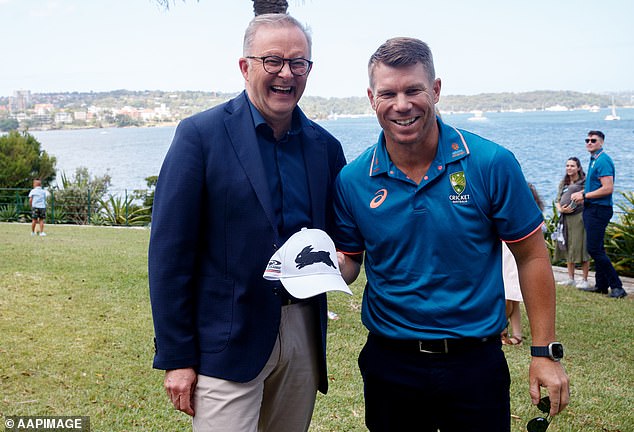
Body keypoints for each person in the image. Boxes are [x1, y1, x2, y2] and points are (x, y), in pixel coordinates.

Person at [333, 37, 569, 431]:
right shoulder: (353, 179)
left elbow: (532, 256)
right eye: (388, 93)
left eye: (414, 90)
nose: (402, 104)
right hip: (390, 363)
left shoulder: (492, 163)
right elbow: (349, 262)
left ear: (436, 89)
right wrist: (308, 269)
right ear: (371, 98)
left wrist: (544, 352)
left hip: (475, 363)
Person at [148, 13, 346, 432]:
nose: (286, 74)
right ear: (245, 66)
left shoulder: (326, 148)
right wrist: (176, 356)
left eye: (299, 63)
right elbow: (169, 255)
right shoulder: (199, 136)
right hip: (225, 340)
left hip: (302, 333)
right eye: (272, 61)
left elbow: (340, 244)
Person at [571, 131, 626, 298]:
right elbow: (596, 185)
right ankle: (601, 285)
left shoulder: (603, 160)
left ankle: (617, 286)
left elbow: (608, 188)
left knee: (594, 249)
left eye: (593, 140)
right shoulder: (594, 159)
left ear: (601, 143)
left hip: (598, 210)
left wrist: (585, 196)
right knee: (598, 248)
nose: (589, 142)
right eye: (587, 140)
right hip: (592, 208)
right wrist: (583, 192)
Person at [554, 157, 590, 289]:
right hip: (565, 218)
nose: (569, 168)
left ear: (578, 168)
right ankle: (571, 278)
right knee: (568, 245)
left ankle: (585, 279)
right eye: (567, 165)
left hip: (579, 217)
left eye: (572, 166)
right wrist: (561, 209)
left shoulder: (585, 183)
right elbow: (557, 200)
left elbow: (588, 196)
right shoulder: (563, 183)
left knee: (581, 246)